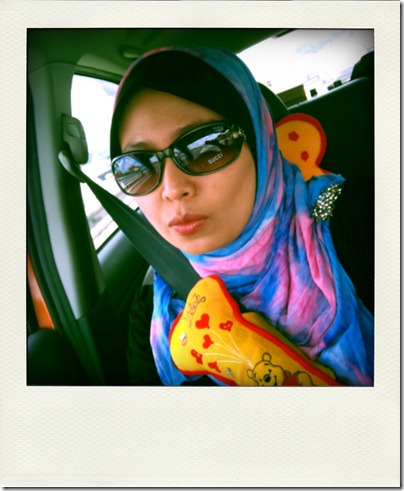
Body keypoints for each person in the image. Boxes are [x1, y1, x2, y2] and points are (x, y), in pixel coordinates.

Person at [109, 46, 374, 387]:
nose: (172, 188)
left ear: (260, 144)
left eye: (207, 147)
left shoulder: (357, 221)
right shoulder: (154, 311)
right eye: (137, 167)